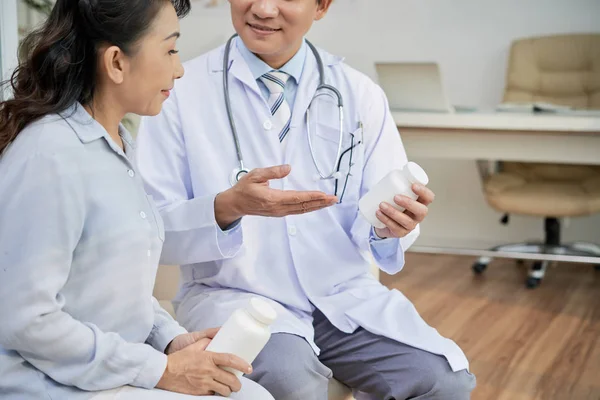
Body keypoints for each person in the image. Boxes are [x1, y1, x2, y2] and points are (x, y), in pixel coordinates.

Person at [136, 0, 476, 399]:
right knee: (292, 381)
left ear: (322, 6)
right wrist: (228, 206)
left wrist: (390, 228)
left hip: (343, 298)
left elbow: (381, 216)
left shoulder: (359, 93)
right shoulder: (178, 91)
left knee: (442, 381)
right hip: (237, 298)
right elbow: (153, 226)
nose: (263, 8)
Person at [0, 1, 274, 399]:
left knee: (248, 394)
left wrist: (170, 341)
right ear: (116, 63)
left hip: (106, 369)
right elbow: (25, 319)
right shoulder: (51, 154)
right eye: (170, 50)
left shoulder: (115, 145)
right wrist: (161, 370)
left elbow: (113, 290)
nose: (179, 68)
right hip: (45, 382)